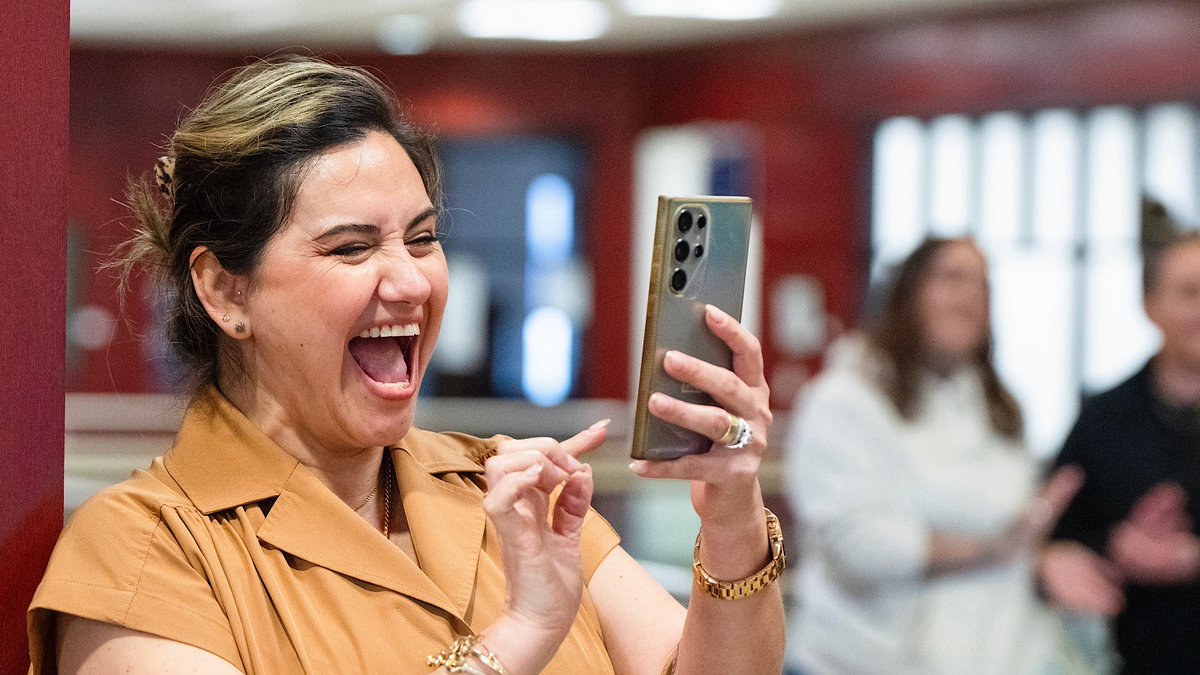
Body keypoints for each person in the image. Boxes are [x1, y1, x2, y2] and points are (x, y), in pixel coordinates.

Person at [28, 56, 785, 674]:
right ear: (227, 290)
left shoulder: (514, 492)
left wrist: (731, 516)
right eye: (351, 248)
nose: (412, 280)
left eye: (422, 239)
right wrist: (518, 635)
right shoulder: (144, 550)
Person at [785, 237, 1081, 675]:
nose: (969, 296)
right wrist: (994, 550)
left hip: (1000, 653)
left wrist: (1036, 553)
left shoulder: (998, 405)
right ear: (907, 294)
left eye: (982, 284)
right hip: (863, 659)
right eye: (951, 278)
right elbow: (861, 548)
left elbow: (1018, 525)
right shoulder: (844, 399)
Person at [1044, 230, 1200, 674]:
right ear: (1150, 305)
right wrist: (1115, 547)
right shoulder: (1105, 418)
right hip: (1129, 653)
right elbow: (1058, 534)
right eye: (1189, 293)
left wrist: (1192, 559)